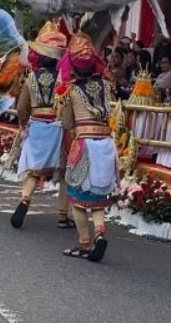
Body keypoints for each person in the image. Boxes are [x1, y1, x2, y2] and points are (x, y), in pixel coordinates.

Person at [60, 33, 118, 262]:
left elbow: (66, 122)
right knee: (97, 199)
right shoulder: (106, 85)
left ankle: (84, 244)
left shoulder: (71, 90)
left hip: (84, 143)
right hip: (106, 144)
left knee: (77, 198)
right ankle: (100, 233)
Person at [10, 24, 67, 229]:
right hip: (58, 128)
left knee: (34, 170)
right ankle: (63, 214)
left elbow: (22, 107)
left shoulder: (31, 78)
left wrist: (24, 123)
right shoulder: (64, 80)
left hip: (37, 127)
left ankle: (25, 198)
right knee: (64, 172)